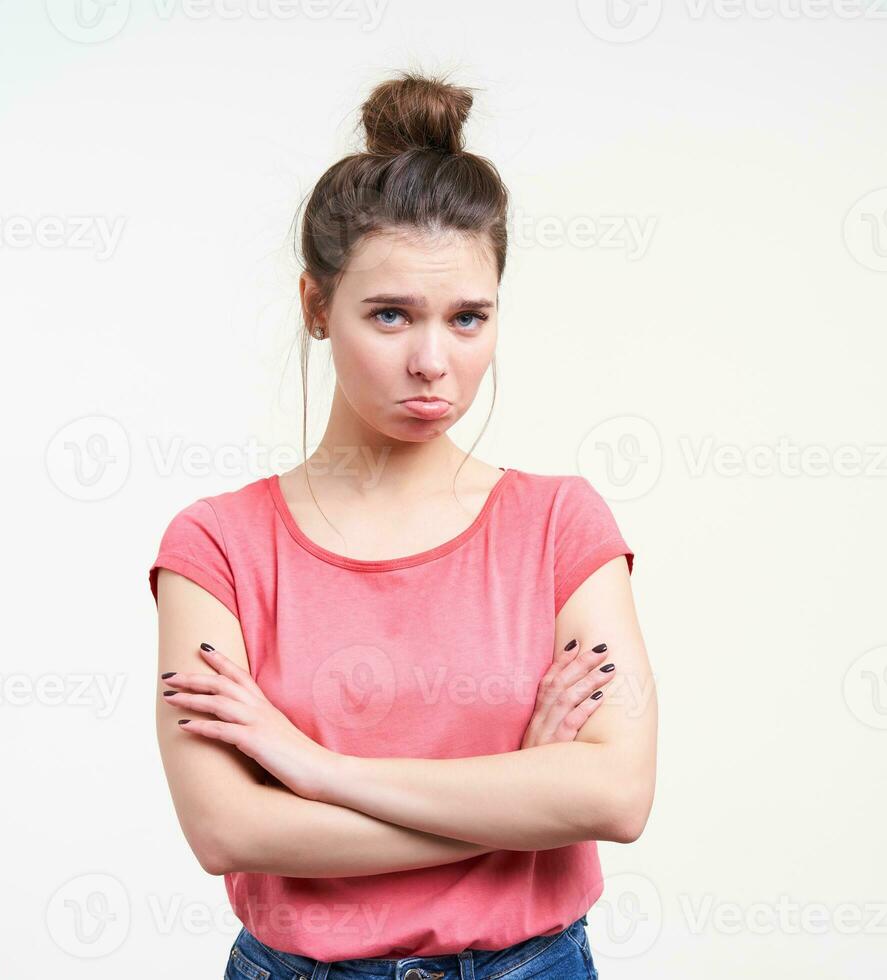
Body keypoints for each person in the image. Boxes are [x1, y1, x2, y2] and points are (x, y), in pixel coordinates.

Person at [149, 69, 655, 979]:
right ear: (316, 306)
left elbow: (616, 795)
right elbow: (228, 828)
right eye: (390, 315)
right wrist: (514, 798)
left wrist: (312, 767)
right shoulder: (215, 548)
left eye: (468, 318)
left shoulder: (559, 525)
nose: (433, 362)